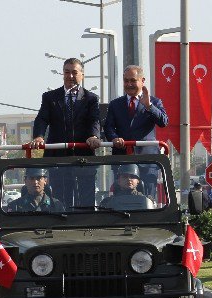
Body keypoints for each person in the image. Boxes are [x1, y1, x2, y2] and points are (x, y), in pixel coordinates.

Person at [31, 58, 101, 207]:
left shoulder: (91, 99)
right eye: (67, 72)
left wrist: (93, 136)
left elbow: (94, 120)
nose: (70, 76)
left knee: (85, 200)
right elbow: (42, 119)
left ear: (82, 74)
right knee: (61, 199)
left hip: (83, 157)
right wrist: (39, 136)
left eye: (74, 72)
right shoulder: (50, 97)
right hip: (58, 158)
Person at [104, 65, 169, 196]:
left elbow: (164, 122)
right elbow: (108, 127)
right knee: (120, 201)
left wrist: (149, 106)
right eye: (126, 81)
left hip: (147, 162)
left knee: (148, 199)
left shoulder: (154, 102)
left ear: (142, 80)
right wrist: (114, 138)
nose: (129, 84)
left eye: (133, 80)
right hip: (121, 160)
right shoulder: (115, 104)